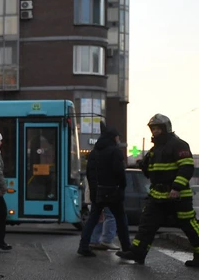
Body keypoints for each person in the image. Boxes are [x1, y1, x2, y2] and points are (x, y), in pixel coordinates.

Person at [117, 114, 198, 267]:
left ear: (166, 128)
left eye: (157, 129)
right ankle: (137, 253)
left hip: (178, 196)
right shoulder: (155, 150)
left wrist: (176, 188)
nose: (154, 132)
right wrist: (144, 165)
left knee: (189, 225)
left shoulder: (179, 145)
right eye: (153, 129)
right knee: (147, 224)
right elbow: (151, 172)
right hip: (157, 195)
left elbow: (186, 167)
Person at [77, 127, 132, 257]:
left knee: (93, 219)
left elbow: (90, 175)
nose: (118, 140)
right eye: (118, 137)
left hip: (98, 192)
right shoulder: (115, 151)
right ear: (113, 138)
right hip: (113, 190)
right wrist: (122, 186)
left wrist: (93, 191)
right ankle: (126, 248)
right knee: (120, 219)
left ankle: (83, 246)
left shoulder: (94, 153)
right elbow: (119, 172)